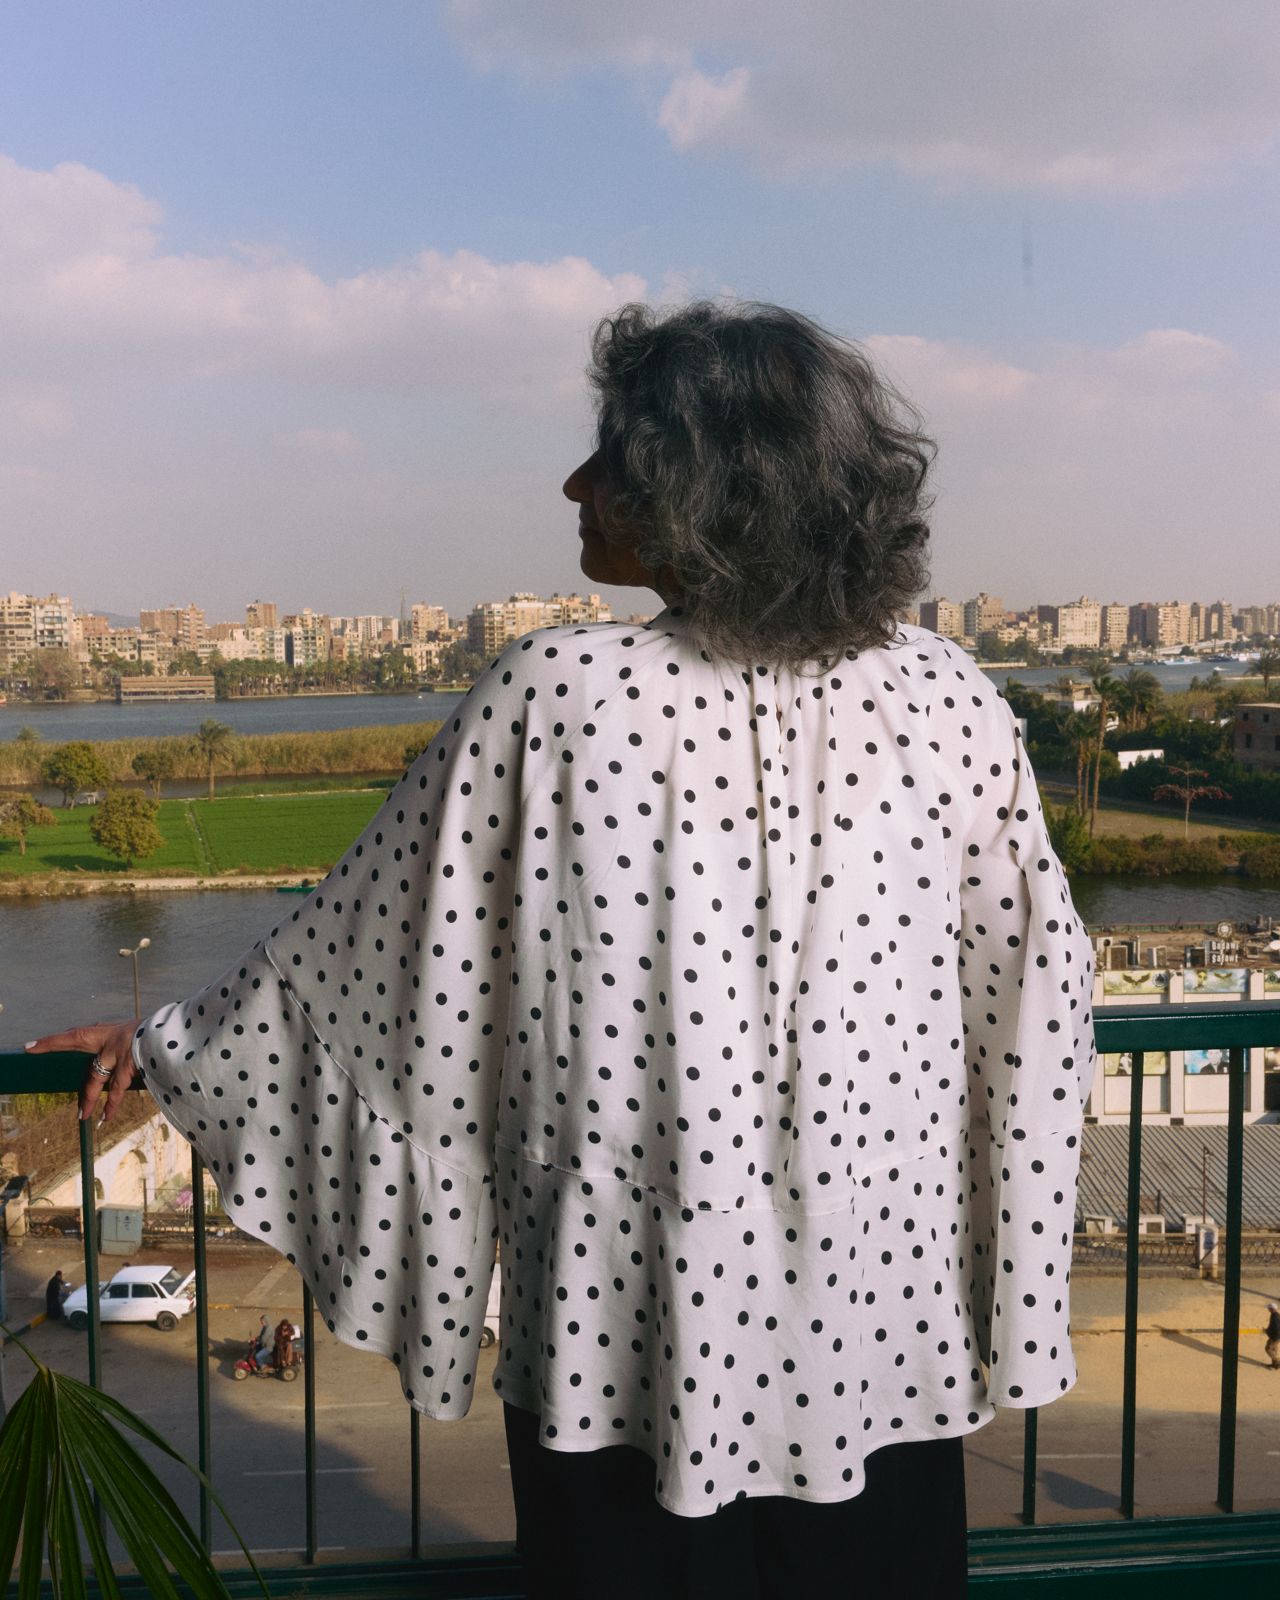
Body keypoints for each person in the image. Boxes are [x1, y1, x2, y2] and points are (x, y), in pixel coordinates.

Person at [29, 301, 1094, 1598]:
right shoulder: (949, 698)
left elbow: (367, 969)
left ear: (712, 492)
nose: (575, 484)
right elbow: (1037, 1010)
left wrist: (163, 1042)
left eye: (618, 458)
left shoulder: (560, 694)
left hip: (624, 1342)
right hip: (885, 1350)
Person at [1266, 1302, 1280, 1371]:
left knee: (1268, 1349)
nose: (1268, 1309)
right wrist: (1267, 1330)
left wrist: (1274, 1337)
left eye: (1269, 1308)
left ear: (1272, 1309)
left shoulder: (1275, 1317)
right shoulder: (1275, 1314)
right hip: (1276, 1336)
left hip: (1275, 1337)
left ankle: (1277, 1361)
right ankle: (1275, 1364)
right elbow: (1272, 1326)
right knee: (1274, 1350)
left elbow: (1277, 1328)